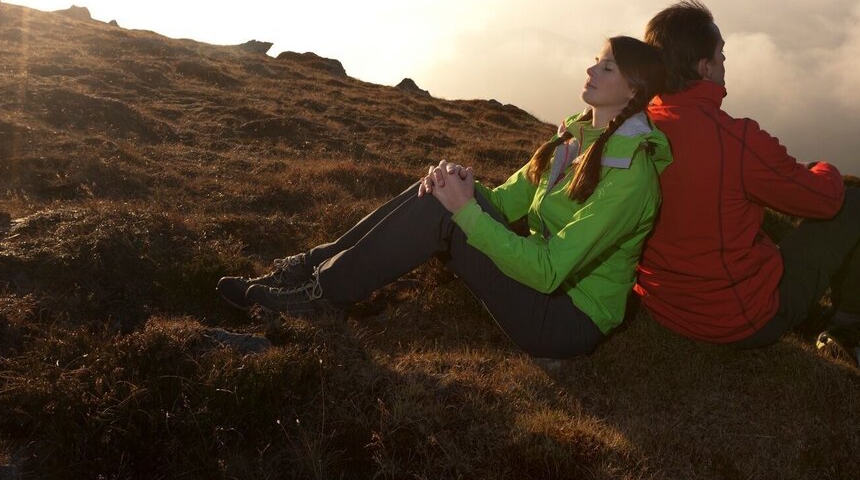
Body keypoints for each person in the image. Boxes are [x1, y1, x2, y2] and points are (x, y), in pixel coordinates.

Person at [217, 37, 673, 360]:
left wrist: (464, 210)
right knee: (444, 189)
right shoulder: (577, 136)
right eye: (595, 61)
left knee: (447, 210)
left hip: (564, 319)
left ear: (633, 90)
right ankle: (312, 268)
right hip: (543, 284)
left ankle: (320, 297)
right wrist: (457, 185)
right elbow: (506, 202)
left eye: (606, 68)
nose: (590, 71)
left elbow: (550, 271)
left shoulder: (631, 176)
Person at [634, 0, 860, 349]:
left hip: (660, 302)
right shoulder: (735, 140)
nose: (725, 61)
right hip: (738, 319)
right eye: (721, 54)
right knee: (857, 205)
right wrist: (824, 167)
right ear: (705, 68)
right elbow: (825, 200)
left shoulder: (634, 127)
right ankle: (853, 324)